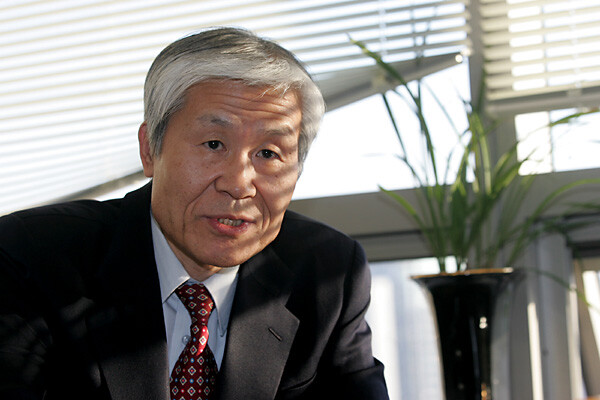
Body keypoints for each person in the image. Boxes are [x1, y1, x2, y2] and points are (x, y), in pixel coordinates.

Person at [0, 27, 389, 400]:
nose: (239, 183)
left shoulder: (329, 275)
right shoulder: (30, 258)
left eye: (268, 153)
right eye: (214, 144)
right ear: (150, 150)